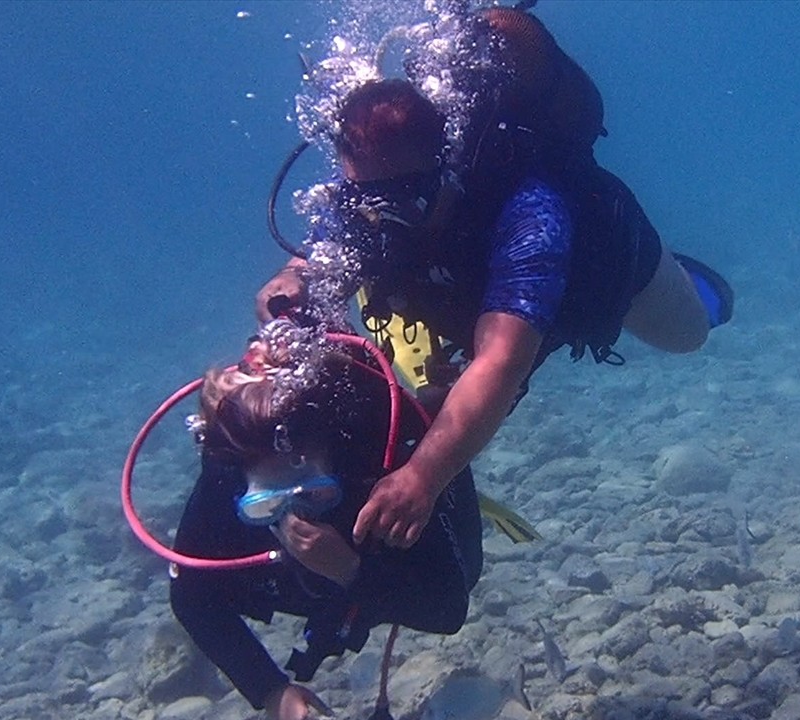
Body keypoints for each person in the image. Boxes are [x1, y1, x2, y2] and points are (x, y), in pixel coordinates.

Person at [256, 6, 732, 553]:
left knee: (690, 335)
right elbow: (308, 266)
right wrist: (287, 290)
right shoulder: (369, 201)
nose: (368, 218)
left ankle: (684, 274)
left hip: (603, 273)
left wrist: (423, 478)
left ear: (440, 173)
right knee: (432, 411)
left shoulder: (533, 213)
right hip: (468, 296)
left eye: (389, 202)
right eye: (356, 199)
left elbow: (502, 361)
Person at [169, 320, 483, 720]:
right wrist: (271, 692)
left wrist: (351, 570)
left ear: (329, 460)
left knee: (469, 568)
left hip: (390, 555)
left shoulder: (376, 473)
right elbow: (191, 595)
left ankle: (432, 409)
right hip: (318, 589)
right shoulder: (227, 470)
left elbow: (448, 609)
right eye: (266, 504)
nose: (293, 517)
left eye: (309, 494)